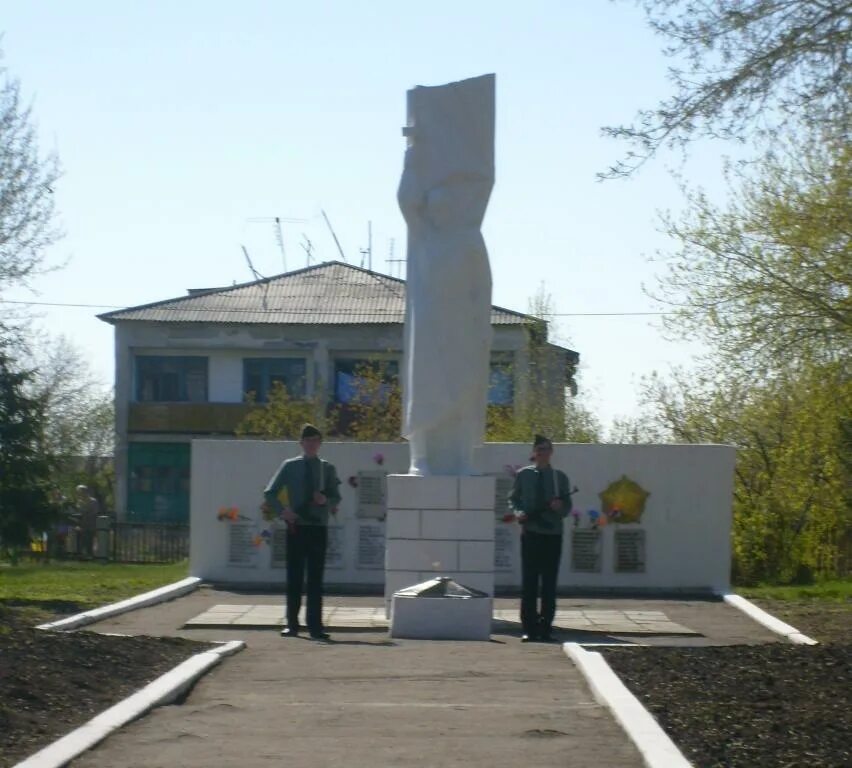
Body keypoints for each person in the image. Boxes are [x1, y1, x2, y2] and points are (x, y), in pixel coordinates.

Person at [264, 424, 341, 640]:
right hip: (296, 527)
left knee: (316, 579)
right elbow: (270, 493)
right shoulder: (290, 466)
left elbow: (336, 496)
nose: (312, 444)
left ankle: (315, 626)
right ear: (301, 443)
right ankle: (292, 624)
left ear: (320, 444)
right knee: (294, 577)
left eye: (316, 440)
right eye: (308, 440)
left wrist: (325, 499)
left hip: (318, 528)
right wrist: (283, 511)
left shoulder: (327, 469)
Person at [509, 435, 572, 642]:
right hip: (531, 533)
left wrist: (559, 507)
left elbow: (567, 507)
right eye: (540, 449)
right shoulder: (523, 475)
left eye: (546, 449)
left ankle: (545, 627)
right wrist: (518, 513)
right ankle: (528, 628)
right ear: (534, 452)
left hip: (552, 534)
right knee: (529, 582)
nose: (543, 453)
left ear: (551, 452)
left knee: (549, 583)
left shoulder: (559, 477)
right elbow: (514, 499)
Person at [75, 485, 101, 559]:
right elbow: (78, 511)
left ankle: (90, 556)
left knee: (90, 540)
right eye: (78, 492)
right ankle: (82, 556)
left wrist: (85, 513)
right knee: (82, 541)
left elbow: (95, 512)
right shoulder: (79, 502)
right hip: (81, 524)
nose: (80, 494)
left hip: (91, 524)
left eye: (81, 492)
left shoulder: (93, 501)